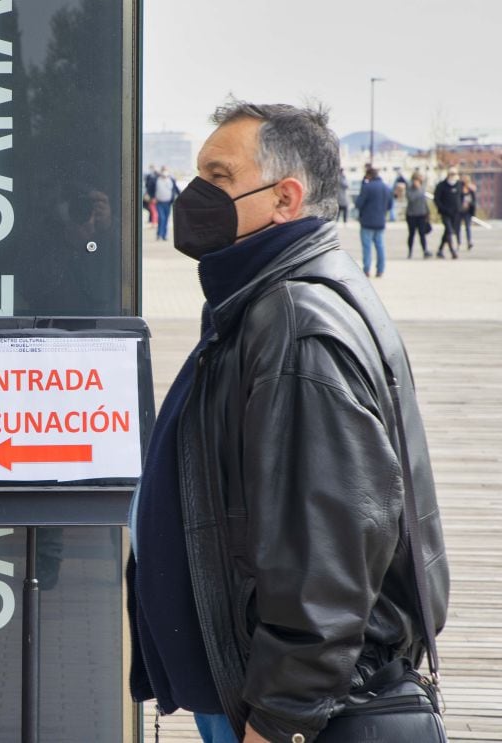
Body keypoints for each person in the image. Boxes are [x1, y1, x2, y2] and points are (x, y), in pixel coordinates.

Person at [127, 100, 448, 743]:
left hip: (293, 709)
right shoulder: (263, 297)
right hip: (249, 685)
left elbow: (326, 561)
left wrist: (281, 721)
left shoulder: (296, 324)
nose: (196, 194)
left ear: (284, 199)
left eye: (218, 177)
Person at [355, 166, 392, 277]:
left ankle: (367, 269)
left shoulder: (367, 187)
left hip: (367, 221)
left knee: (367, 246)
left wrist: (363, 183)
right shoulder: (386, 187)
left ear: (369, 175)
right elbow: (390, 205)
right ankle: (380, 270)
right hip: (380, 221)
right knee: (380, 246)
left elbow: (358, 203)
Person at [433, 167, 462, 259]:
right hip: (445, 212)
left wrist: (460, 207)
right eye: (451, 174)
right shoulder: (441, 186)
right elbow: (437, 199)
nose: (453, 176)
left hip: (456, 213)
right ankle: (452, 251)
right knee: (449, 230)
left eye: (454, 174)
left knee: (447, 232)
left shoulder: (459, 185)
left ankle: (440, 249)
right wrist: (442, 208)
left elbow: (461, 197)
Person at [405, 173, 431, 258]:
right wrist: (418, 189)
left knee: (422, 234)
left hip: (422, 214)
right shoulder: (410, 188)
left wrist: (428, 212)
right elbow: (411, 198)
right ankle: (410, 251)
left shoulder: (422, 187)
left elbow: (424, 201)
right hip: (411, 214)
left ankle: (425, 250)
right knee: (411, 234)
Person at [153, 166, 179, 241]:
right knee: (162, 218)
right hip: (159, 202)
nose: (165, 172)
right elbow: (151, 188)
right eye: (163, 170)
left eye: (166, 170)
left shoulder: (171, 180)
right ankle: (159, 234)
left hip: (168, 203)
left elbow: (176, 189)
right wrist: (152, 197)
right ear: (161, 171)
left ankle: (164, 235)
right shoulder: (156, 179)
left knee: (166, 219)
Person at [460, 174, 477, 250]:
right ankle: (458, 242)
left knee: (467, 227)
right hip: (459, 210)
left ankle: (469, 241)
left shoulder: (471, 190)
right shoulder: (460, 189)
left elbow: (474, 201)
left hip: (468, 211)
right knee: (457, 227)